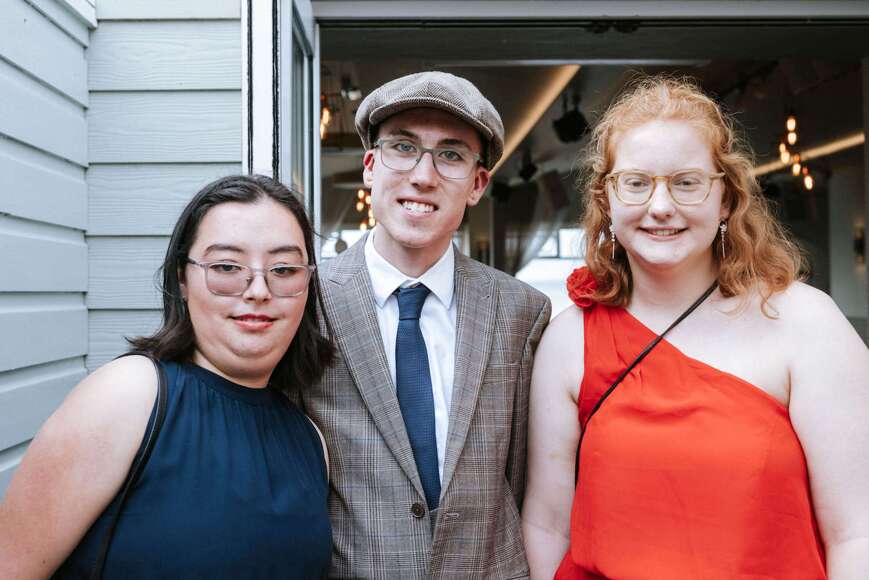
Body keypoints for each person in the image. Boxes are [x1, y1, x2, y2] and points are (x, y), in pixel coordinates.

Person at [522, 76, 869, 579]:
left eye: (687, 183)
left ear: (725, 199)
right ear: (607, 200)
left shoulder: (805, 323)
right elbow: (547, 525)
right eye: (636, 182)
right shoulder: (569, 339)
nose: (661, 206)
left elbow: (857, 532)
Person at [0, 175, 336, 578]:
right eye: (226, 266)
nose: (258, 290)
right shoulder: (128, 396)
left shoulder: (308, 439)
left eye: (283, 269)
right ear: (182, 278)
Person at [299, 71, 551, 578]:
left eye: (451, 155)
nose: (423, 175)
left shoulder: (522, 312)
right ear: (371, 166)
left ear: (477, 184)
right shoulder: (307, 299)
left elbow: (525, 482)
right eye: (403, 147)